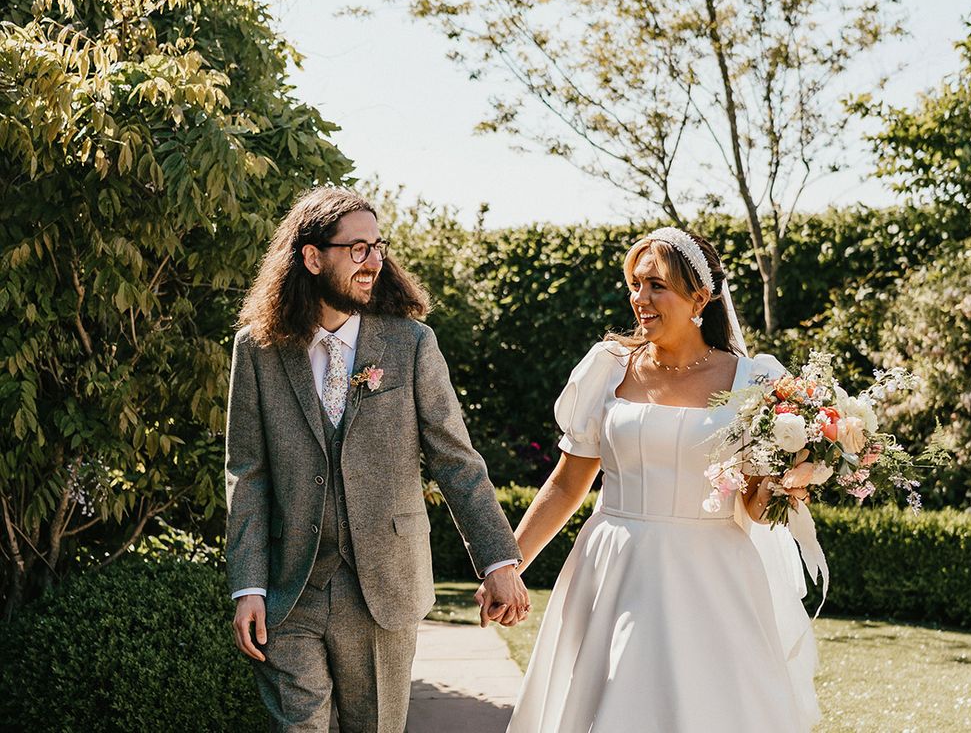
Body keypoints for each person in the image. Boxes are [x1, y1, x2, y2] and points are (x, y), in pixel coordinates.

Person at [491, 227, 820, 732]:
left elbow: (753, 507)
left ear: (700, 299)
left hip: (712, 576)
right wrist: (507, 565)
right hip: (614, 568)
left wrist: (788, 482)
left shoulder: (754, 381)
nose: (639, 298)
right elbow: (566, 483)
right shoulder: (607, 369)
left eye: (656, 285)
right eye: (635, 283)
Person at [225, 186, 528, 733]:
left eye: (377, 247)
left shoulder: (411, 344)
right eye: (357, 249)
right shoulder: (258, 350)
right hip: (291, 589)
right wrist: (249, 585)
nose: (373, 262)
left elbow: (455, 460)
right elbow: (247, 473)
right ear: (313, 257)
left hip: (383, 590)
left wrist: (498, 562)